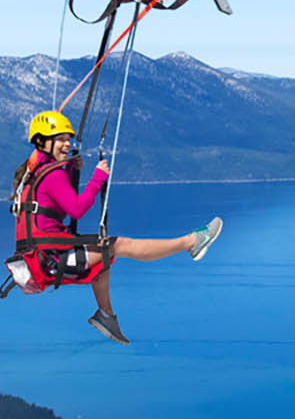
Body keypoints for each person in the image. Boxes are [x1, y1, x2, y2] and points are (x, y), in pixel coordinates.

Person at [11, 110, 221, 345]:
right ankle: (192, 243)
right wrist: (98, 177)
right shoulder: (51, 175)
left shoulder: (35, 173)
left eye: (67, 139)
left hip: (40, 258)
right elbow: (77, 209)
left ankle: (106, 315)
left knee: (103, 255)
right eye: (60, 139)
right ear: (42, 141)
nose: (67, 144)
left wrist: (71, 170)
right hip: (50, 258)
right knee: (119, 245)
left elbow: (52, 206)